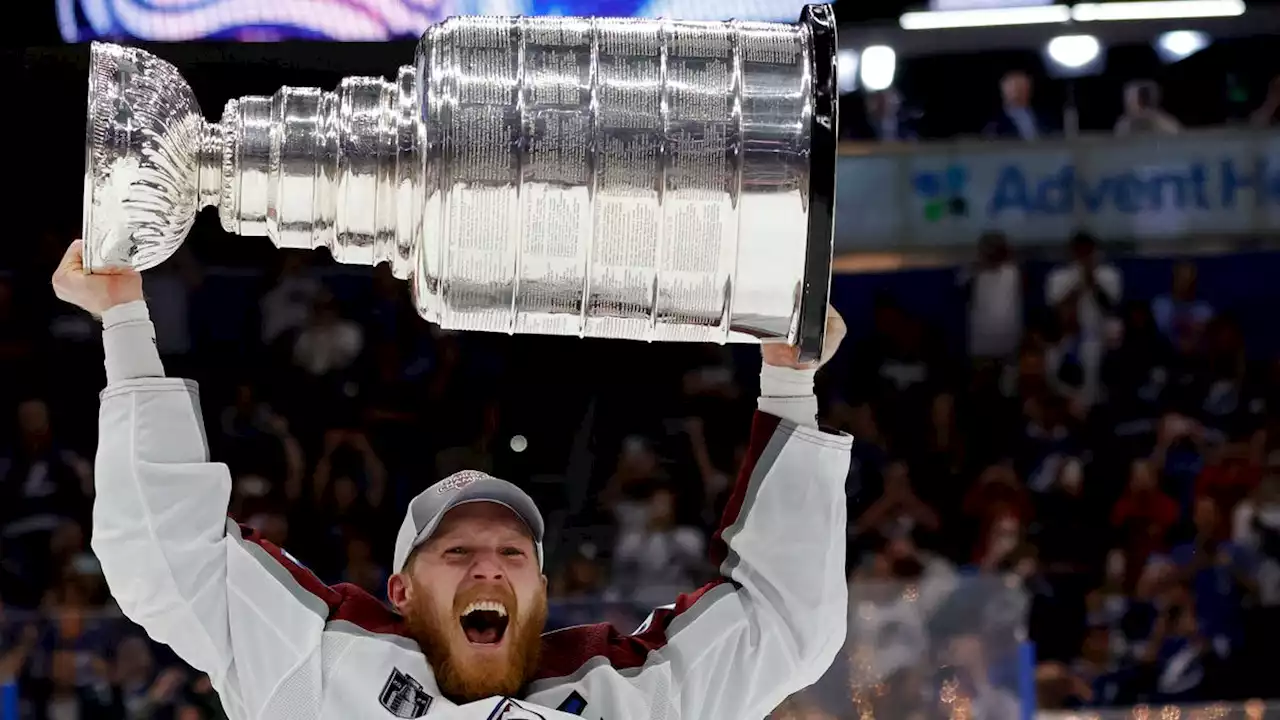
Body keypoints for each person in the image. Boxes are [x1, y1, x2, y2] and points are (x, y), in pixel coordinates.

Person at [51, 239, 853, 720]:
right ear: (400, 592)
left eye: (511, 555)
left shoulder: (627, 698)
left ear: (542, 592)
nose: (487, 566)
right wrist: (121, 313)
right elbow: (165, 561)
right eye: (457, 551)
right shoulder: (320, 670)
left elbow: (785, 627)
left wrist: (791, 379)